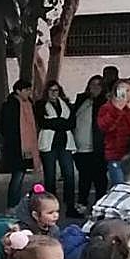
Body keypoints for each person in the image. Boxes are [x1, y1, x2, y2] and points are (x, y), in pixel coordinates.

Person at [34, 81, 79, 217]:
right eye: (51, 90)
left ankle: (70, 205)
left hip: (64, 143)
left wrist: (55, 123)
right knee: (50, 176)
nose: (54, 93)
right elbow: (43, 122)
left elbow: (71, 123)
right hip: (49, 144)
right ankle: (50, 207)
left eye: (56, 90)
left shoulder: (65, 104)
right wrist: (60, 123)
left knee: (69, 174)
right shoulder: (41, 105)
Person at [0, 80, 40, 211]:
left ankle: (15, 204)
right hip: (15, 146)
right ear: (18, 91)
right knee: (17, 176)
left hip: (26, 146)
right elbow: (3, 126)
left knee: (20, 176)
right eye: (26, 90)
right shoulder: (10, 105)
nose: (28, 92)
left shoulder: (29, 104)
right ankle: (12, 205)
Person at [73, 75, 107, 209]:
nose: (95, 87)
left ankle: (100, 203)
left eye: (98, 85)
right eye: (92, 84)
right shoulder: (82, 99)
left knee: (99, 177)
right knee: (84, 176)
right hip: (81, 146)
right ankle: (82, 202)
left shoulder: (105, 102)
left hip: (98, 146)